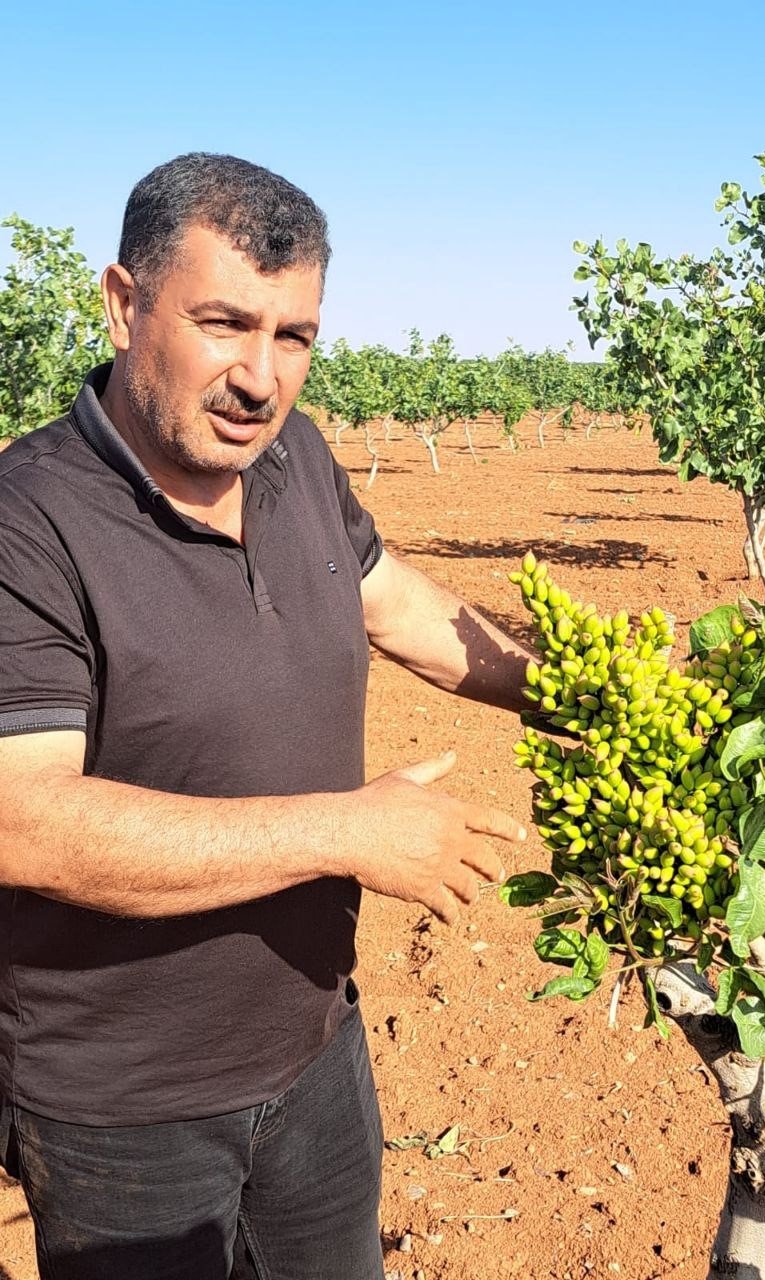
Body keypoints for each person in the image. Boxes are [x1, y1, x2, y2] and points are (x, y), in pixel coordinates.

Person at [0, 153, 533, 1280]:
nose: (261, 375)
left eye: (294, 336)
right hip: (124, 1114)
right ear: (122, 300)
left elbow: (398, 607)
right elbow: (25, 818)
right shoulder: (28, 522)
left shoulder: (294, 457)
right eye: (225, 323)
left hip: (315, 1053)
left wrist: (587, 691)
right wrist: (346, 830)